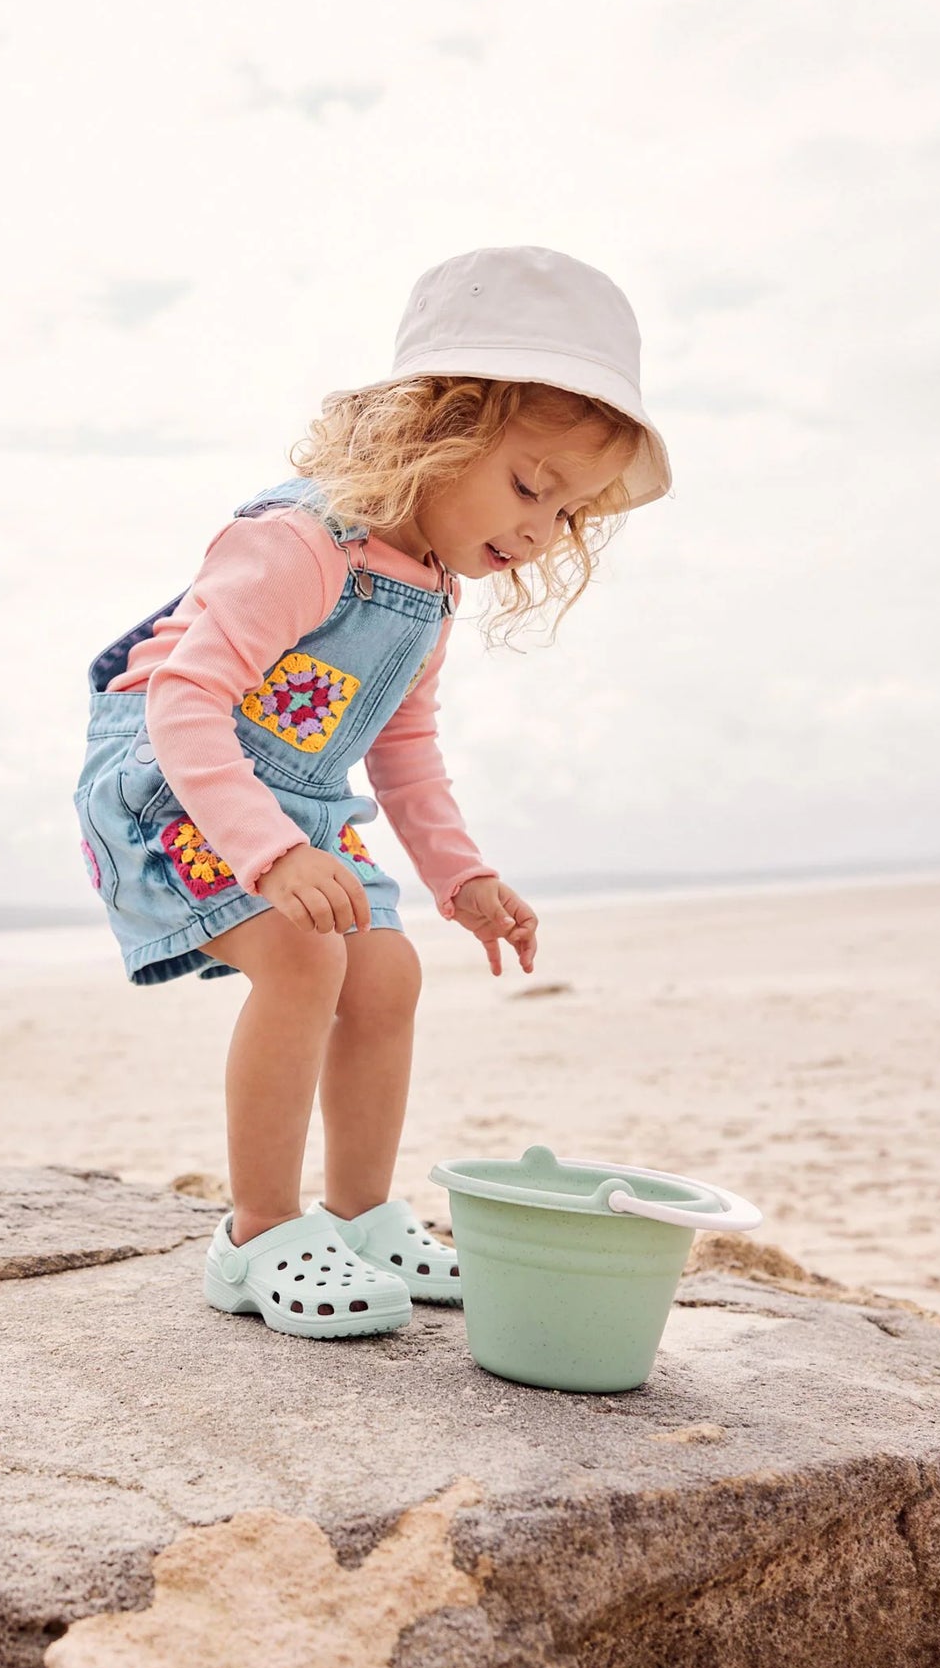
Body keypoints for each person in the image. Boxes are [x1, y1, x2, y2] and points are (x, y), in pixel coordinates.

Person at [73, 245, 673, 1340]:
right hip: (175, 779)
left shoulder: (429, 594)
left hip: (292, 798)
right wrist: (268, 854)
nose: (542, 530)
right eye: (531, 485)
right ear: (433, 428)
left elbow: (401, 750)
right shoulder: (298, 543)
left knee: (385, 966)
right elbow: (183, 703)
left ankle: (358, 1216)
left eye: (571, 513)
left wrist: (462, 875)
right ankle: (255, 1232)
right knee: (302, 954)